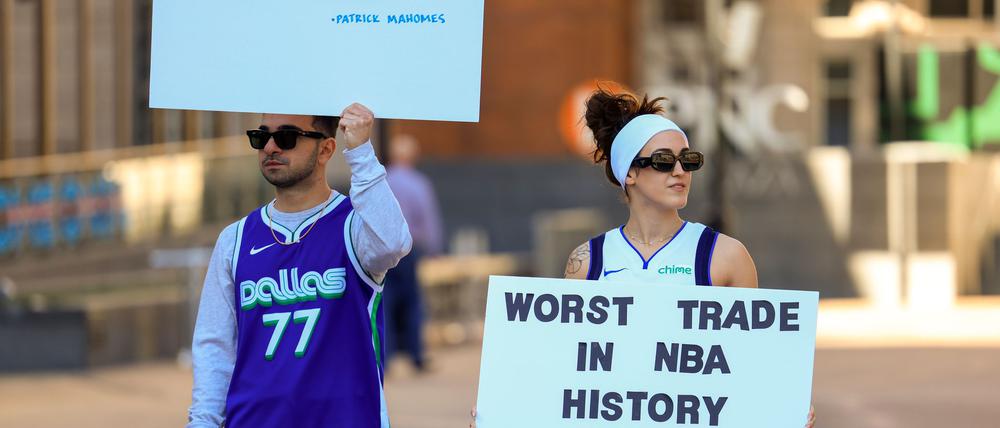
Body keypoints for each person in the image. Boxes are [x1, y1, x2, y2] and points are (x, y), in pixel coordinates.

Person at [561, 86, 815, 427]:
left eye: (688, 159)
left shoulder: (725, 256)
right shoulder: (587, 262)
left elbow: (752, 367)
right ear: (629, 174)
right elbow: (566, 376)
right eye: (664, 161)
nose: (680, 171)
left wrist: (781, 408)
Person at [187, 103, 412, 428]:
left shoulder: (354, 227)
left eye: (287, 137)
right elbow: (215, 347)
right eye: (260, 137)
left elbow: (394, 243)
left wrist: (361, 151)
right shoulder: (234, 240)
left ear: (326, 149)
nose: (270, 147)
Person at [383, 134, 444, 371]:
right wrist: (434, 248)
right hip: (410, 249)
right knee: (412, 303)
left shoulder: (381, 180)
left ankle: (385, 359)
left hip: (383, 248)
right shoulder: (419, 183)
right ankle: (416, 356)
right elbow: (428, 219)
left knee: (384, 303)